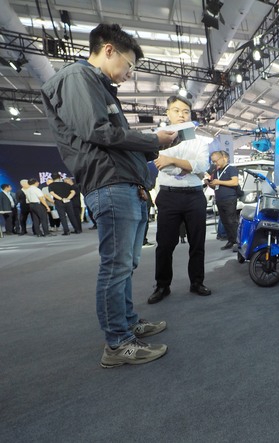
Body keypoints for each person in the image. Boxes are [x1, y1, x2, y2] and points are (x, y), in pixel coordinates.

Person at [41, 23, 178, 368]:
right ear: (108, 50)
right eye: (130, 65)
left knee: (125, 265)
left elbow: (110, 135)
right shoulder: (77, 78)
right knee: (115, 267)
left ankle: (127, 323)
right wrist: (152, 141)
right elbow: (98, 132)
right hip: (109, 183)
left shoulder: (98, 86)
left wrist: (152, 150)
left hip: (123, 183)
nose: (129, 74)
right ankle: (117, 343)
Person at [148, 95, 211, 304]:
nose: (181, 114)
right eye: (176, 110)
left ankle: (197, 282)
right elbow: (159, 163)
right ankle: (162, 285)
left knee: (197, 243)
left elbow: (202, 166)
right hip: (168, 195)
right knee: (164, 244)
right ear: (167, 113)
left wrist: (173, 160)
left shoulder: (201, 140)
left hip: (194, 195)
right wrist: (187, 165)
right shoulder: (158, 138)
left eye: (185, 111)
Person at [206, 150, 239, 251]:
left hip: (229, 199)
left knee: (231, 221)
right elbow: (216, 185)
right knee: (225, 221)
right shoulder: (216, 171)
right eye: (213, 162)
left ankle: (238, 242)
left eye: (216, 161)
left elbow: (235, 182)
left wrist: (219, 181)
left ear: (223, 158)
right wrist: (209, 183)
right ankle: (231, 240)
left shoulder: (231, 169)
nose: (215, 164)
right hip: (219, 199)